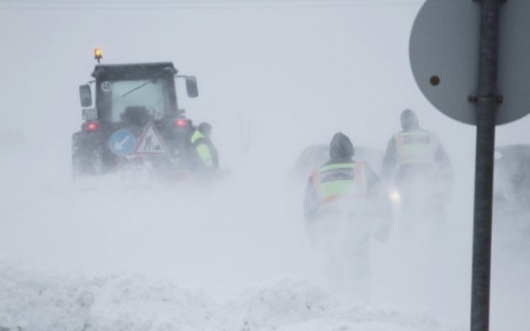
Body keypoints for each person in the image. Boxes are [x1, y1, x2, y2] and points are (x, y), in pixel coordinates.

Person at [303, 132, 392, 302]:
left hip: (329, 231)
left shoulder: (317, 175)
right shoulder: (362, 171)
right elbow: (381, 200)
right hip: (357, 230)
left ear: (331, 153)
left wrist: (312, 233)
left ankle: (338, 310)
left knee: (335, 272)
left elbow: (309, 209)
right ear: (351, 151)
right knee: (359, 273)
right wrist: (383, 227)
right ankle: (361, 308)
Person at [381, 109, 453, 228]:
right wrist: (447, 184)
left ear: (402, 123)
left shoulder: (397, 139)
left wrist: (383, 186)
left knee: (410, 218)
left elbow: (388, 165)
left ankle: (411, 242)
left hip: (407, 187)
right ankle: (438, 241)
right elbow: (445, 163)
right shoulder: (430, 137)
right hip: (431, 184)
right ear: (417, 121)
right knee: (435, 216)